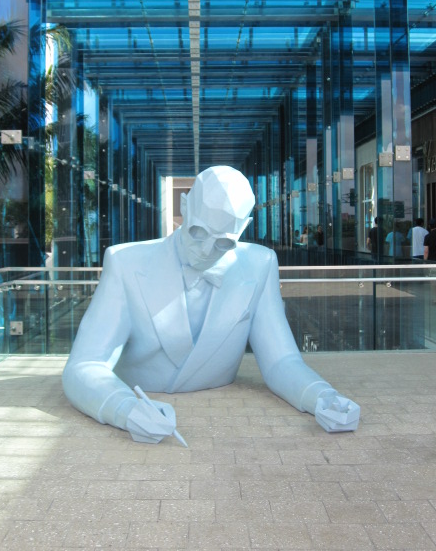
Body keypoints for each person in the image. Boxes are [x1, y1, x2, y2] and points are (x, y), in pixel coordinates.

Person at [63, 166, 360, 444]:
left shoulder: (260, 265)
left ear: (244, 228)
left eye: (223, 243)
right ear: (183, 206)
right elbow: (85, 364)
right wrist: (124, 407)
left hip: (227, 414)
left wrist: (322, 396)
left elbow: (281, 360)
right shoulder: (125, 263)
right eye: (198, 232)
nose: (206, 251)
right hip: (146, 394)